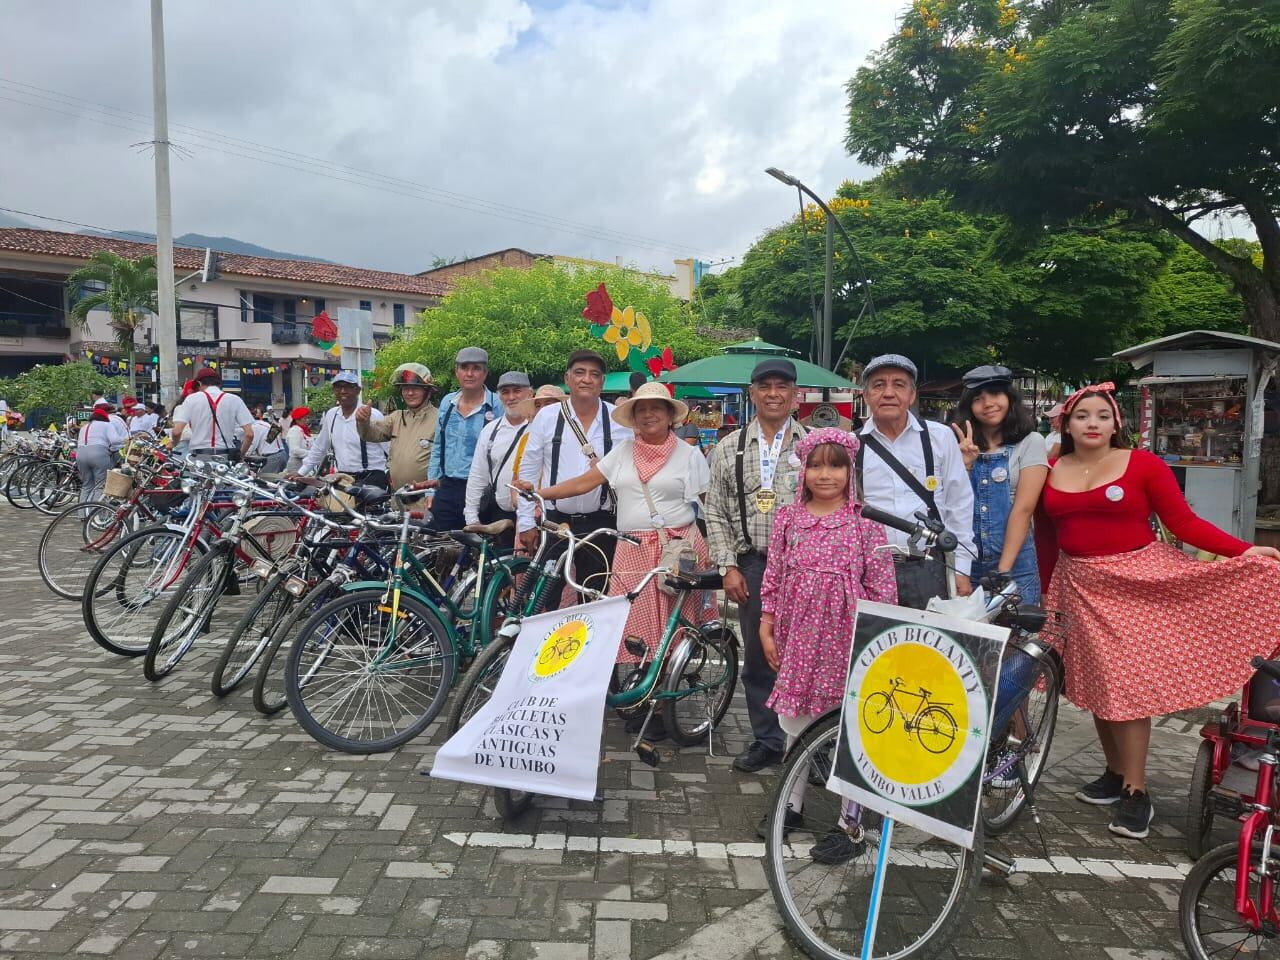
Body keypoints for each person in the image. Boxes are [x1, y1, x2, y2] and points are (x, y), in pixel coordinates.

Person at [1038, 383, 1280, 839]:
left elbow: (1182, 522)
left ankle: (1136, 791)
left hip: (1138, 583)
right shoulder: (1051, 469)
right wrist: (1049, 597)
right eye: (1082, 416)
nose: (1093, 424)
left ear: (1117, 423)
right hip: (1076, 586)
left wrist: (1243, 551)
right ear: (1066, 424)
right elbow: (1047, 536)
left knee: (1125, 683)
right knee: (1095, 681)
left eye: (1102, 416)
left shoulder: (1143, 464)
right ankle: (1113, 774)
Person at [523, 381, 711, 736]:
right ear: (634, 417)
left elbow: (709, 503)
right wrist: (539, 493)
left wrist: (720, 553)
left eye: (657, 408)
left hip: (675, 551)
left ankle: (661, 709)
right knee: (635, 632)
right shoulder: (624, 451)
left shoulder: (689, 456)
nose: (649, 414)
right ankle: (642, 699)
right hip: (631, 551)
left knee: (671, 632)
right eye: (642, 409)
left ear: (671, 416)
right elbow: (584, 482)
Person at [757, 428, 898, 859]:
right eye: (816, 464)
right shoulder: (788, 518)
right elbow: (774, 574)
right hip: (797, 633)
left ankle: (848, 821)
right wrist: (766, 622)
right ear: (803, 470)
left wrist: (877, 641)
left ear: (850, 470)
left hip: (847, 637)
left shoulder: (867, 525)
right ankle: (792, 803)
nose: (825, 474)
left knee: (848, 724)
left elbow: (882, 588)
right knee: (794, 719)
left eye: (835, 465)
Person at [705, 358, 807, 773]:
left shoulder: (813, 444)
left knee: (806, 656)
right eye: (764, 386)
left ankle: (807, 744)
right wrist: (728, 566)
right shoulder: (730, 446)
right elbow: (716, 512)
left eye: (782, 386)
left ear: (795, 395)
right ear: (752, 393)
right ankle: (768, 739)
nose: (773, 393)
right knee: (760, 658)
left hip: (804, 568)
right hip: (753, 564)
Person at [856, 354, 976, 608]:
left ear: (911, 395)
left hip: (930, 567)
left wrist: (962, 568)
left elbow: (959, 505)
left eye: (899, 384)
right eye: (879, 385)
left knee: (928, 645)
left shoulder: (939, 437)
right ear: (865, 396)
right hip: (871, 570)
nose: (888, 393)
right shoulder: (853, 445)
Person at [518, 350, 631, 598]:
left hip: (601, 522)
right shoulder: (547, 417)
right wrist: (526, 522)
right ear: (567, 378)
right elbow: (529, 470)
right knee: (544, 595)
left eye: (594, 374)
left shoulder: (619, 421)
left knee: (595, 596)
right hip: (554, 520)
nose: (586, 379)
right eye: (579, 373)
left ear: (603, 382)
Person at [950, 365, 1048, 603]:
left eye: (995, 394)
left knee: (1017, 637)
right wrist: (965, 464)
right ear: (969, 407)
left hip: (1015, 563)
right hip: (964, 564)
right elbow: (951, 505)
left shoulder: (1031, 442)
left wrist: (1002, 572)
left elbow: (1024, 510)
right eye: (978, 399)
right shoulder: (955, 444)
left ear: (1009, 398)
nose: (988, 403)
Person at [426, 348, 500, 530]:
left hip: (482, 490)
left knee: (477, 549)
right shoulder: (447, 402)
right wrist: (430, 489)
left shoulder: (497, 404)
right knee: (439, 547)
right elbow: (439, 446)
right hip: (447, 486)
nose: (469, 373)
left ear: (485, 373)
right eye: (464, 367)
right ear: (456, 371)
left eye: (476, 368)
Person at [464, 371, 533, 538]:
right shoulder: (489, 431)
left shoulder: (540, 427)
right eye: (505, 392)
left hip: (537, 513)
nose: (511, 397)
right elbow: (478, 475)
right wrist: (472, 517)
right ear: (499, 396)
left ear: (530, 393)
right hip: (501, 516)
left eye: (517, 391)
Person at [296, 371, 389, 488]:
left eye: (349, 387)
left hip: (372, 478)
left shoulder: (372, 415)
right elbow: (320, 448)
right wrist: (300, 473)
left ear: (358, 390)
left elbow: (391, 449)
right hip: (343, 479)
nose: (343, 391)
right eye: (338, 387)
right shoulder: (331, 415)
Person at [355, 362, 439, 490]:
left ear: (428, 391)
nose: (410, 393)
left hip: (427, 500)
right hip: (398, 499)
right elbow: (370, 434)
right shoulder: (396, 417)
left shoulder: (440, 419)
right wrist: (363, 421)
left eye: (415, 388)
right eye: (405, 388)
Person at [171, 368, 256, 462]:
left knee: (195, 477)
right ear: (219, 383)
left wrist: (173, 444)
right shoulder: (235, 399)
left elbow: (176, 432)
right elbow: (249, 434)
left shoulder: (191, 399)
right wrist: (240, 455)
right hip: (225, 457)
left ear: (199, 383)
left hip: (198, 457)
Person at [77, 404, 127, 501]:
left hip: (81, 454)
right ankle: (94, 514)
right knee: (100, 485)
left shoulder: (84, 427)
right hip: (98, 454)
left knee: (86, 485)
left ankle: (82, 514)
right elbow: (115, 440)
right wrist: (128, 439)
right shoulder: (106, 425)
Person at [284, 407, 313, 475]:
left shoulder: (304, 430)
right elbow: (295, 450)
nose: (307, 420)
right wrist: (312, 453)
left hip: (304, 463)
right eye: (305, 418)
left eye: (308, 418)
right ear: (297, 420)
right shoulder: (295, 430)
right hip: (296, 465)